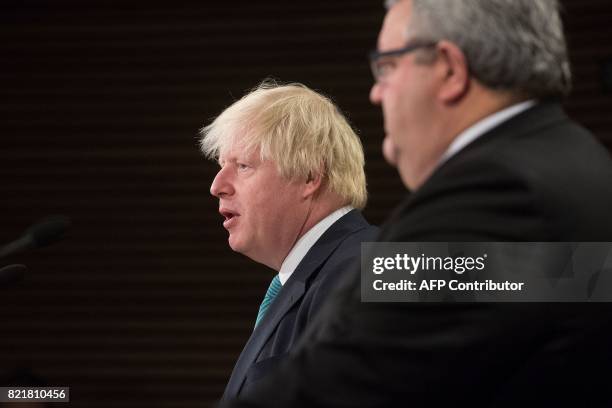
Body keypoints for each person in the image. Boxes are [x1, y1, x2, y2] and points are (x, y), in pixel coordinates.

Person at [221, 1, 612, 407]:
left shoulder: (496, 193)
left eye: (387, 67)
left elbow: (340, 383)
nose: (375, 93)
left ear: (449, 70)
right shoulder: (580, 161)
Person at [200, 82, 378, 400]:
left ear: (310, 176)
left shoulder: (371, 268)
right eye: (220, 166)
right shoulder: (313, 276)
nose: (218, 185)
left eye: (242, 166)